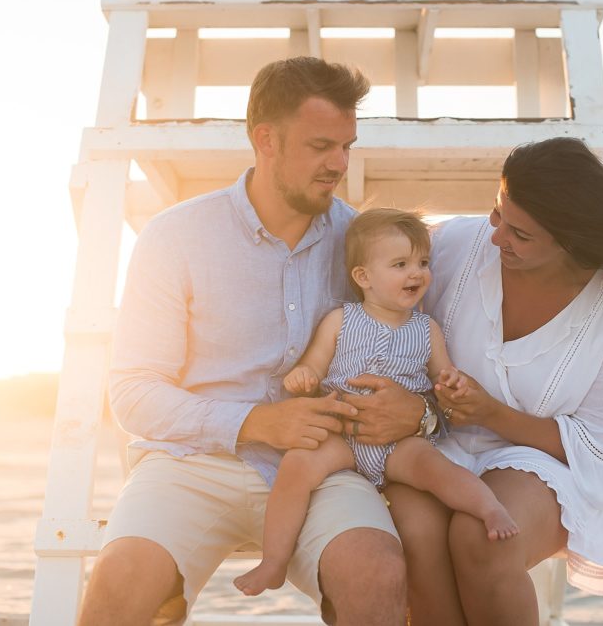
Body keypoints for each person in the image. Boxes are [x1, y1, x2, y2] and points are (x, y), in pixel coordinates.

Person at [78, 57, 423, 626]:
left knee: (377, 572)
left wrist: (420, 414)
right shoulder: (175, 237)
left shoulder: (364, 243)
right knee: (121, 583)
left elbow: (417, 356)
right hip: (191, 463)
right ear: (266, 139)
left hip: (324, 468)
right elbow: (134, 394)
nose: (339, 164)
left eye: (347, 146)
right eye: (320, 146)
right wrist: (255, 423)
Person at [384, 136, 603, 625]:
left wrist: (492, 414)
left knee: (482, 537)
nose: (496, 237)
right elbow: (379, 320)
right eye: (497, 214)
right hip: (433, 443)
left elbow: (594, 445)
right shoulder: (452, 247)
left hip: (542, 460)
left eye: (520, 235)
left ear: (571, 239)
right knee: (417, 535)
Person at [233, 208, 518, 597]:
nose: (416, 273)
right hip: (341, 434)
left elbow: (443, 377)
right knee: (297, 466)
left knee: (436, 468)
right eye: (400, 264)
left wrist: (451, 380)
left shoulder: (426, 328)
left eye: (422, 262)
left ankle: (489, 509)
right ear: (363, 278)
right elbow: (314, 365)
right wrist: (305, 377)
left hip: (399, 443)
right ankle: (274, 560)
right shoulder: (341, 320)